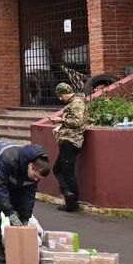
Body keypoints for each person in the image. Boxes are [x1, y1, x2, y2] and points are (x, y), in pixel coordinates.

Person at [0, 141, 52, 263]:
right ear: (30, 165)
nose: (36, 179)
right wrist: (9, 212)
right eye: (35, 176)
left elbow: (29, 195)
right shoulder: (8, 159)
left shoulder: (34, 172)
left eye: (39, 178)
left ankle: (14, 247)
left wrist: (25, 217)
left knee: (17, 205)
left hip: (10, 171)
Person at [53, 82, 86, 212]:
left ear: (66, 93)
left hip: (72, 142)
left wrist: (61, 120)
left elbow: (77, 122)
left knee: (66, 172)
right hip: (67, 140)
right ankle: (69, 196)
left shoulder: (77, 103)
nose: (60, 99)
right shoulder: (72, 104)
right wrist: (60, 127)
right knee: (59, 170)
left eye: (61, 96)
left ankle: (72, 200)